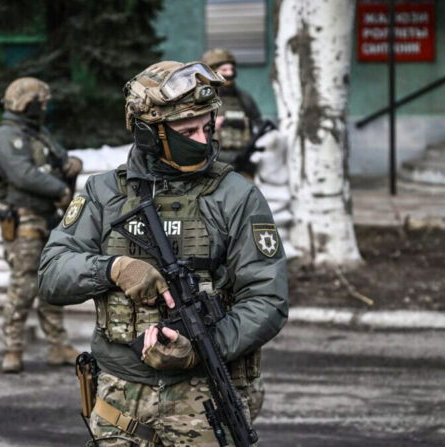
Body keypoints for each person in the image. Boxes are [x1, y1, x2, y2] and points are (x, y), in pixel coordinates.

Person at [39, 61, 288, 446]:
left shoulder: (237, 196)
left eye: (207, 126)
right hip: (120, 398)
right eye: (188, 131)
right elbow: (53, 273)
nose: (203, 140)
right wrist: (113, 268)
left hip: (205, 399)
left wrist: (203, 349)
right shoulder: (105, 194)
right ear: (149, 133)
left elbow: (268, 299)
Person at [0, 77, 82, 373]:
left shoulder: (38, 133)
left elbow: (59, 159)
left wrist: (71, 164)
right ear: (25, 103)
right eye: (39, 103)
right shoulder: (5, 136)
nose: (44, 108)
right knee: (24, 283)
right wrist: (60, 190)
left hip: (48, 217)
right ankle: (12, 349)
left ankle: (57, 345)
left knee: (51, 283)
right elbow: (22, 174)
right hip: (23, 216)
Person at [201, 48, 264, 178]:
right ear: (211, 72)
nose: (229, 73)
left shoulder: (244, 98)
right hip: (212, 167)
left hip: (244, 166)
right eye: (224, 70)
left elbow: (259, 126)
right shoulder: (202, 99)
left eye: (232, 69)